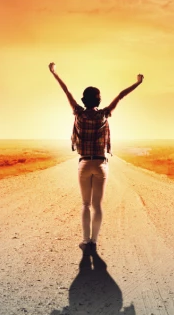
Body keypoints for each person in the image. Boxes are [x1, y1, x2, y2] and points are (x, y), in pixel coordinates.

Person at [49, 62, 143, 254]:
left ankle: (85, 241)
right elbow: (121, 96)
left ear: (84, 99)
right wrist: (138, 83)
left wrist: (54, 72)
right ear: (99, 100)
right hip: (101, 163)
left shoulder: (78, 113)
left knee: (85, 203)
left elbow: (65, 90)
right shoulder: (104, 115)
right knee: (98, 204)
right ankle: (94, 241)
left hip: (83, 163)